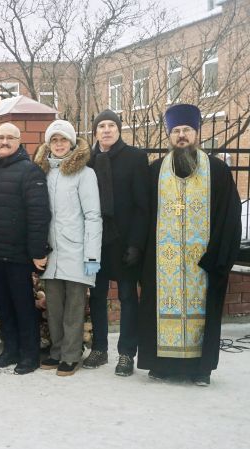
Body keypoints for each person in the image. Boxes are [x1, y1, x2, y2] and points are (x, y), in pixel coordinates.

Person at [137, 104, 241, 386]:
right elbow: (143, 215)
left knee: (203, 313)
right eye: (176, 131)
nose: (181, 136)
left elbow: (228, 217)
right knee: (159, 310)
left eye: (187, 130)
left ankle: (201, 369)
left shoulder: (218, 171)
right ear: (169, 135)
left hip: (204, 261)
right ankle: (161, 365)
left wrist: (217, 256)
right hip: (163, 262)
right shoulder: (155, 171)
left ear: (197, 133)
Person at [0, 123, 51, 375]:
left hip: (18, 253)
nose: (5, 141)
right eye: (1, 137)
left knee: (22, 305)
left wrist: (37, 251)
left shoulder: (30, 172)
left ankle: (29, 355)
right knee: (3, 305)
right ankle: (9, 350)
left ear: (19, 141)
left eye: (10, 137)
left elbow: (39, 214)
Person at [84, 109, 150, 376]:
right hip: (95, 242)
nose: (107, 130)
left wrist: (136, 243)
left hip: (124, 242)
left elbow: (142, 205)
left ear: (119, 129)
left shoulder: (135, 158)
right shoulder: (87, 159)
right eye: (102, 126)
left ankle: (126, 354)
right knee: (97, 295)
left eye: (112, 125)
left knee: (126, 297)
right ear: (96, 131)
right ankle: (99, 349)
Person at [33, 120, 102, 376]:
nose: (59, 145)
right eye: (54, 140)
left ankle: (71, 356)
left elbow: (93, 215)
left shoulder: (84, 174)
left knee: (73, 308)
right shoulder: (43, 172)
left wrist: (92, 255)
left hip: (76, 250)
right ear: (48, 144)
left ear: (72, 143)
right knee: (54, 307)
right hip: (51, 251)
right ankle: (57, 351)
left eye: (63, 140)